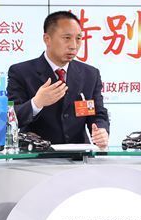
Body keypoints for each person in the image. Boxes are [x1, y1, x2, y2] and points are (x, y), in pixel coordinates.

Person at [7, 11, 109, 147]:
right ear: (47, 39)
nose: (73, 45)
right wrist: (36, 103)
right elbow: (10, 118)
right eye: (67, 38)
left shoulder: (90, 74)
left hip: (78, 155)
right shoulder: (21, 72)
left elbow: (98, 113)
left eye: (78, 38)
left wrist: (101, 131)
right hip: (36, 154)